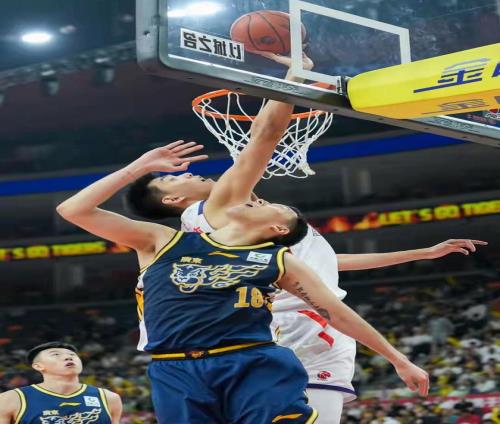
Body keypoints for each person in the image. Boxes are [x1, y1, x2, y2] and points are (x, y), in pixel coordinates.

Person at [124, 54, 487, 423]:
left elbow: (320, 263)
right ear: (172, 200)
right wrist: (294, 76)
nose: (188, 173)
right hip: (299, 326)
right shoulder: (219, 207)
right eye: (172, 179)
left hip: (286, 326)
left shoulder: (215, 232)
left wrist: (420, 253)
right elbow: (265, 135)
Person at [56, 139, 429, 424]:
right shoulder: (165, 240)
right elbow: (73, 210)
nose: (257, 200)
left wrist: (399, 360)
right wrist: (140, 166)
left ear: (277, 231)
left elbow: (337, 311)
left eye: (269, 206)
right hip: (176, 366)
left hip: (250, 359)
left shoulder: (276, 260)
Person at [0, 342, 122, 424]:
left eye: (72, 355)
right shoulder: (10, 399)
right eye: (56, 355)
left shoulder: (109, 398)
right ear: (38, 366)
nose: (68, 357)